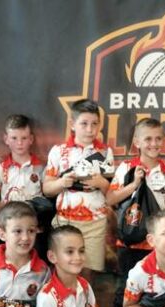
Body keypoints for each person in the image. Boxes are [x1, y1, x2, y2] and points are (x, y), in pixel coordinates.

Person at [107, 118, 165, 307]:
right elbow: (110, 198)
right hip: (130, 239)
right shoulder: (127, 167)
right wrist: (134, 185)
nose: (154, 144)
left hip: (156, 241)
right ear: (137, 142)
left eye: (158, 138)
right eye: (148, 139)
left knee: (151, 286)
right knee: (126, 283)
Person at [42, 99, 113, 284]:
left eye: (94, 124)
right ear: (72, 124)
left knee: (88, 273)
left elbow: (112, 194)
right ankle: (62, 302)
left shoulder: (105, 152)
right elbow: (47, 189)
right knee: (63, 270)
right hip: (65, 220)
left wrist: (100, 182)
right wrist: (62, 182)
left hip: (96, 222)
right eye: (84, 124)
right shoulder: (59, 151)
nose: (90, 129)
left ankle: (84, 302)